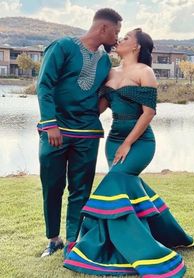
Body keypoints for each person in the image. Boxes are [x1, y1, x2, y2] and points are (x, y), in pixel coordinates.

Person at [63, 28, 194, 277]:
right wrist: (64, 114)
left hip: (140, 143)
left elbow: (148, 113)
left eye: (126, 38)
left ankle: (142, 250)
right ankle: (173, 234)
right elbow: (98, 109)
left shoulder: (145, 72)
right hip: (113, 141)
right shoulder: (110, 72)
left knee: (115, 183)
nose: (120, 40)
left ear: (137, 47)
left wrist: (128, 143)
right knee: (125, 190)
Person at [36, 8, 122, 257]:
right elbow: (45, 85)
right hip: (56, 130)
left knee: (81, 188)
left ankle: (73, 241)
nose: (117, 38)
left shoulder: (105, 61)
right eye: (116, 32)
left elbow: (101, 93)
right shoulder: (62, 46)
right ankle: (54, 239)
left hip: (88, 133)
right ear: (103, 28)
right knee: (52, 185)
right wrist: (50, 123)